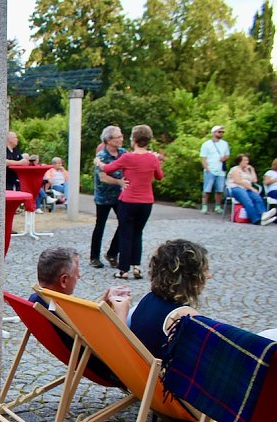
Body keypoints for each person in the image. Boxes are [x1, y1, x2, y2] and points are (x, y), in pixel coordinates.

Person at [29, 246, 128, 379]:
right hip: (113, 368)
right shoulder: (61, 310)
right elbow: (120, 348)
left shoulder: (38, 301)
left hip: (84, 356)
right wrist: (122, 313)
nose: (79, 276)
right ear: (64, 280)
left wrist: (102, 303)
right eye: (76, 273)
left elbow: (85, 325)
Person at [96, 125, 164, 280]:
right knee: (138, 233)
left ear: (134, 140)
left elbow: (108, 168)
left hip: (128, 201)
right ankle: (137, 267)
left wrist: (98, 162)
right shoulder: (152, 158)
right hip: (146, 202)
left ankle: (123, 270)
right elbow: (159, 176)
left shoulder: (127, 157)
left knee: (125, 234)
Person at [128, 239, 210, 359]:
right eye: (204, 270)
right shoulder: (185, 317)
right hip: (159, 376)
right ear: (190, 276)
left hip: (138, 371)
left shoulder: (147, 300)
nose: (209, 275)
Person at [90, 126, 125, 269]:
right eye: (118, 137)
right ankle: (94, 257)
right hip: (103, 196)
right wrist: (119, 182)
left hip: (120, 196)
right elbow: (103, 177)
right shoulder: (101, 156)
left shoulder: (123, 153)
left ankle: (112, 253)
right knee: (100, 225)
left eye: (121, 136)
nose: (121, 139)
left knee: (124, 223)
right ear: (108, 140)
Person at [227, 154, 276, 226]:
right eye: (245, 160)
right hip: (236, 188)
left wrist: (252, 170)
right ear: (239, 161)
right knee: (247, 200)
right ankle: (256, 220)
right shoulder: (235, 169)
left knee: (257, 198)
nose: (247, 162)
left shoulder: (247, 170)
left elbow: (254, 180)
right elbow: (238, 181)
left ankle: (263, 215)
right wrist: (252, 188)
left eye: (247, 160)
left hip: (247, 189)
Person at [199, 125, 229, 214]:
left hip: (221, 171)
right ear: (214, 133)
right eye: (219, 132)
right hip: (210, 169)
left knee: (219, 190)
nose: (221, 133)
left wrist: (225, 158)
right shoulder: (206, 144)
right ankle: (204, 206)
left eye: (222, 132)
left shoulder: (225, 144)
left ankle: (217, 206)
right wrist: (207, 168)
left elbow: (227, 155)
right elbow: (203, 157)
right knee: (207, 189)